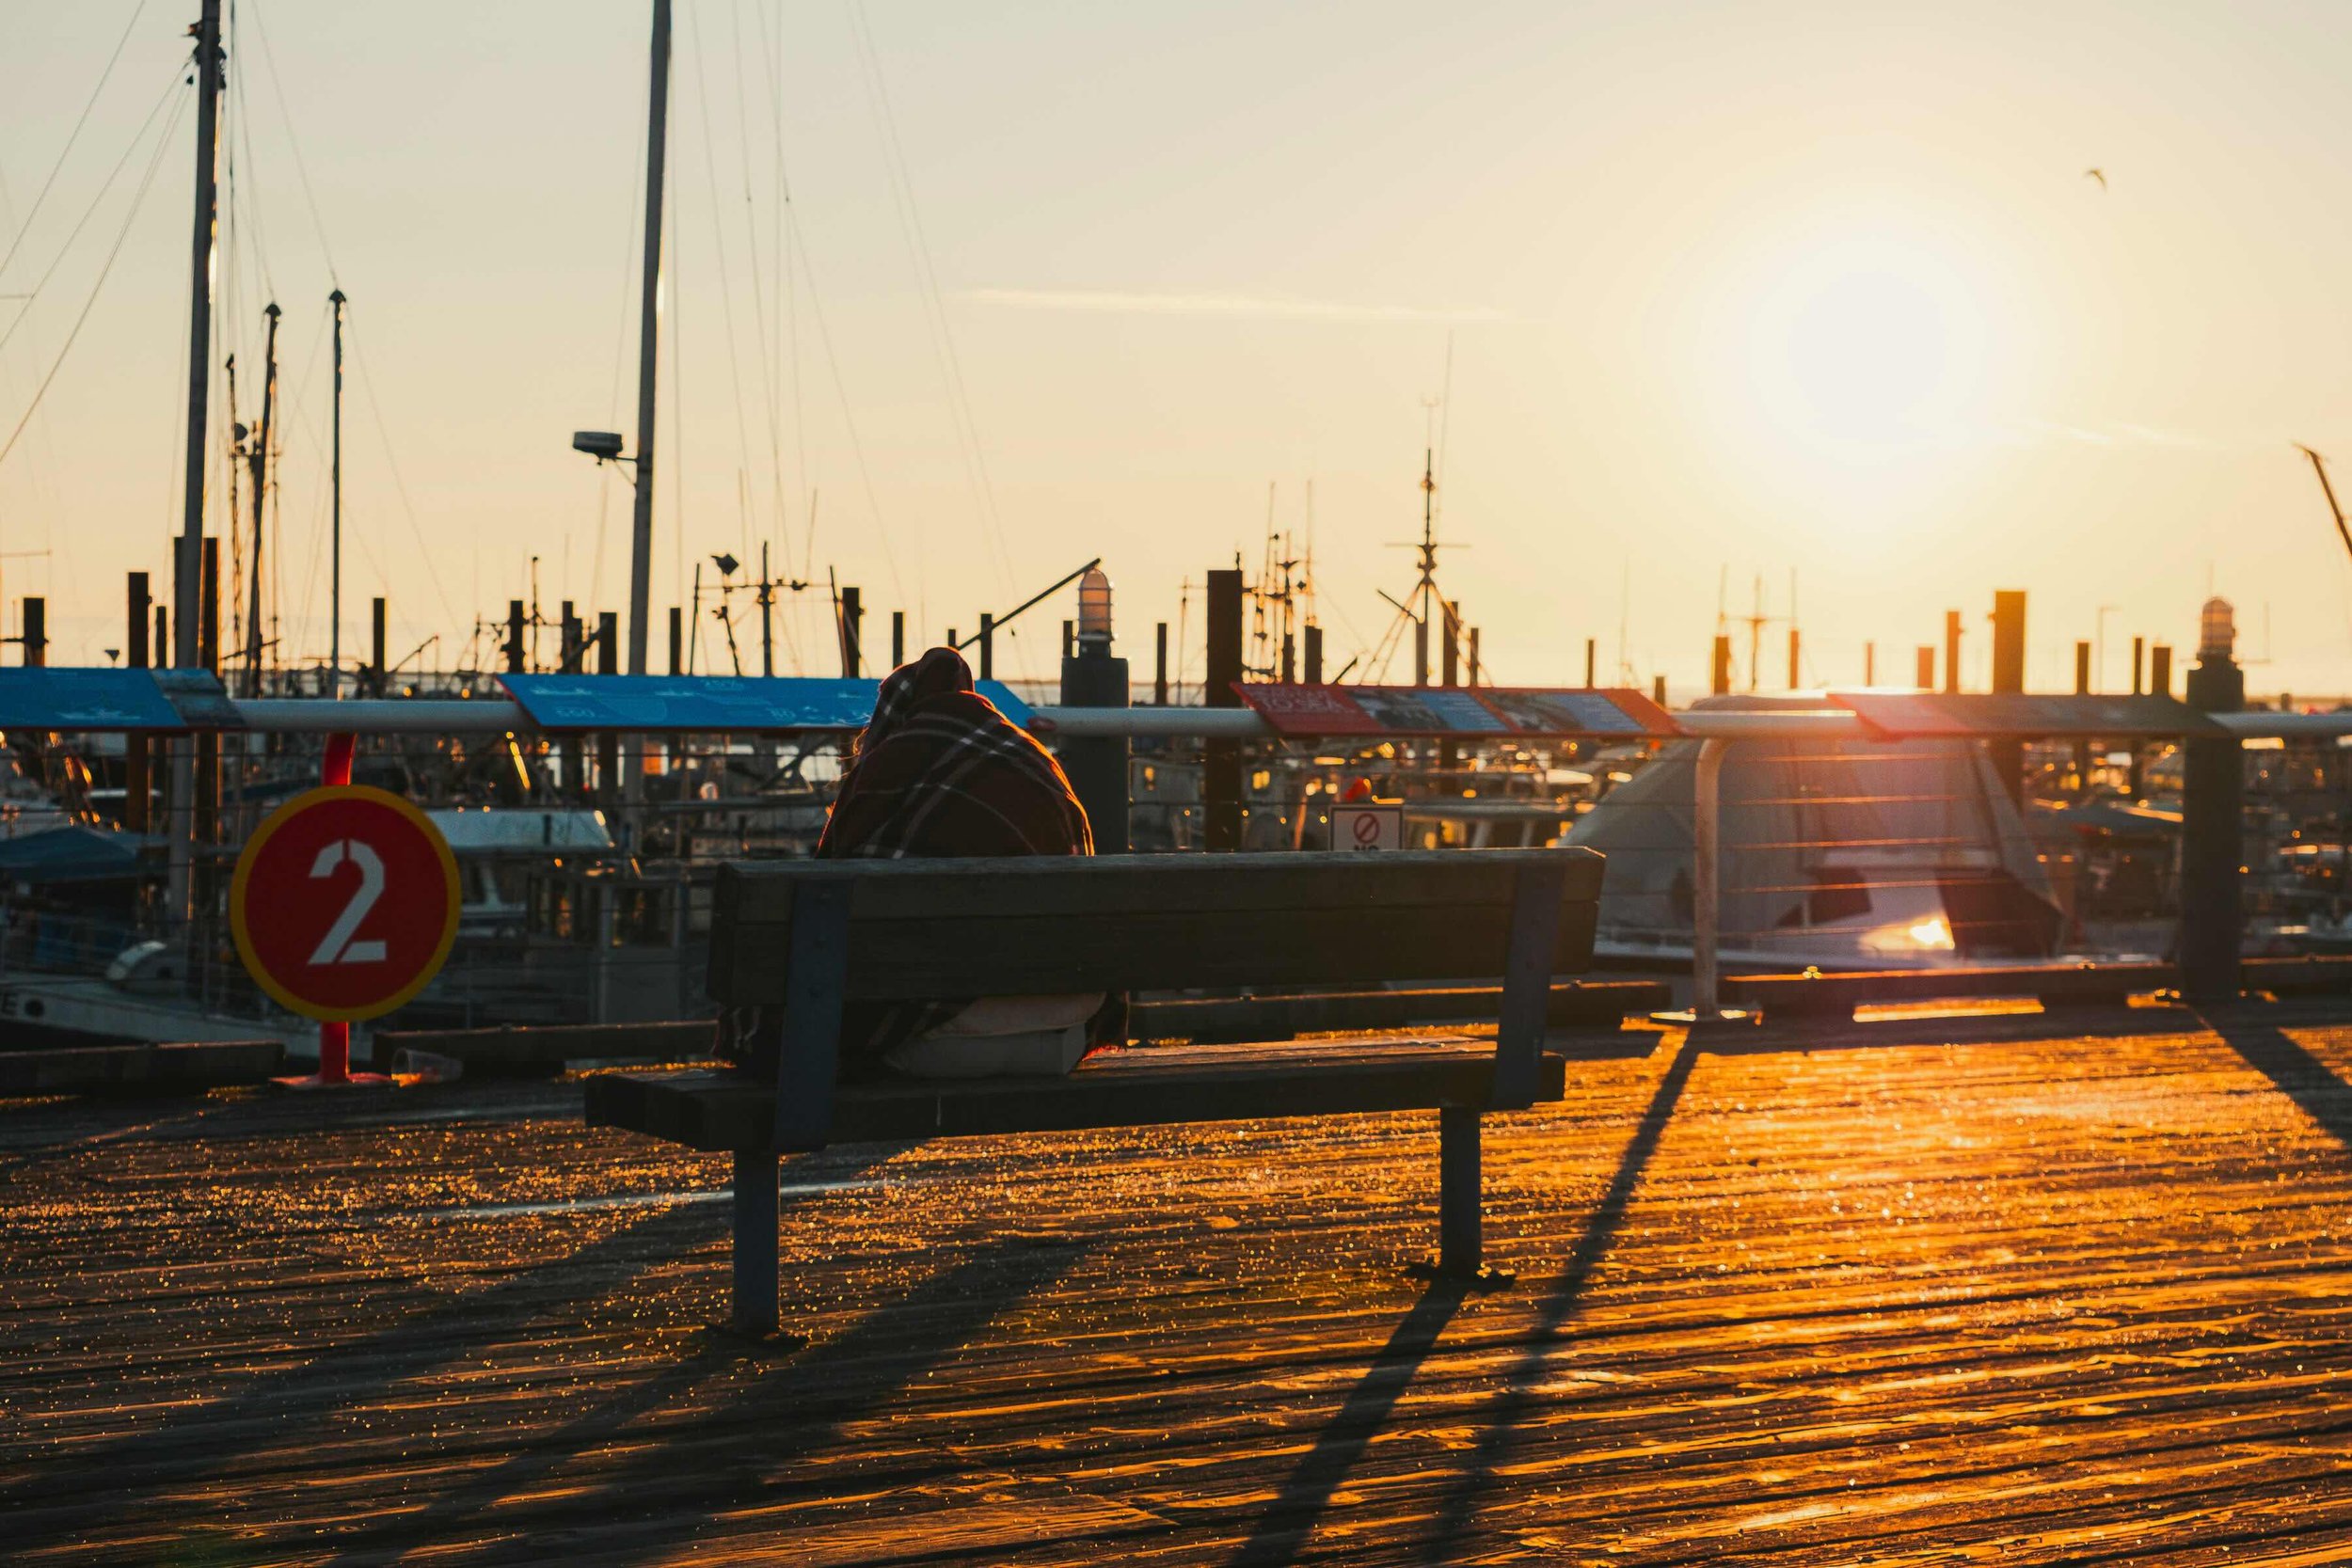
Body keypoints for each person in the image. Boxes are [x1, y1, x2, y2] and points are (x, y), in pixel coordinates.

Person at [722, 646, 1114, 1078]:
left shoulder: (894, 767)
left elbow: (839, 904)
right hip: (1063, 1036)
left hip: (942, 1045)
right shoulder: (1038, 761)